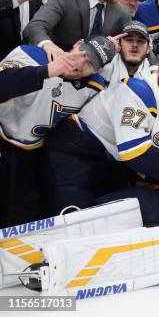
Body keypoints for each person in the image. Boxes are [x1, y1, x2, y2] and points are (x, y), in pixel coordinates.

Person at [44, 52, 159, 213]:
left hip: (103, 158)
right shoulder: (137, 91)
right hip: (73, 151)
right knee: (72, 219)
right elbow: (135, 153)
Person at [0, 36, 115, 226]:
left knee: (21, 216)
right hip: (2, 138)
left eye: (90, 63)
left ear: (98, 70)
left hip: (32, 153)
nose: (81, 64)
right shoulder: (31, 54)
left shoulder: (94, 88)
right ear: (77, 44)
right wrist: (48, 71)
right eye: (83, 54)